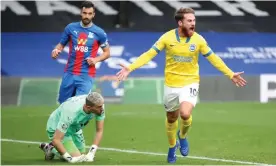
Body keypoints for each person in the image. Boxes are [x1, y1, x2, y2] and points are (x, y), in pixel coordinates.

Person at [116, 8, 247, 163]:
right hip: (171, 84)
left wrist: (230, 74)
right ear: (180, 22)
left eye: (194, 20)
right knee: (171, 118)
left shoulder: (199, 40)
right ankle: (172, 146)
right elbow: (149, 54)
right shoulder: (167, 38)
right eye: (190, 21)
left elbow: (214, 59)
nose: (193, 23)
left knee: (185, 113)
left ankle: (183, 136)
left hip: (190, 82)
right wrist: (130, 67)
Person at [51, 0, 110, 104]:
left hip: (86, 75)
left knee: (81, 106)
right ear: (80, 13)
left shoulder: (99, 32)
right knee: (63, 105)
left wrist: (96, 59)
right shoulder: (70, 28)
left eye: (89, 14)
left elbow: (107, 53)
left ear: (93, 15)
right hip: (69, 72)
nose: (87, 16)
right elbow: (61, 44)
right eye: (85, 13)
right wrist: (56, 50)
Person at [39, 92, 105, 163]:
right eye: (99, 107)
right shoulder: (71, 112)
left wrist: (91, 153)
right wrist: (70, 159)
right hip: (56, 128)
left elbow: (99, 130)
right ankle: (50, 148)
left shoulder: (98, 106)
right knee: (76, 158)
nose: (102, 108)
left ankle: (60, 148)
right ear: (89, 107)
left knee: (82, 155)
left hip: (75, 128)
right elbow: (56, 139)